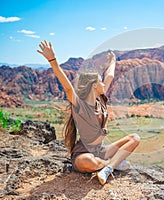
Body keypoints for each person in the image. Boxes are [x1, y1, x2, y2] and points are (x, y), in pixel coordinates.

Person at [37, 40, 140, 185]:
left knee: (135, 138)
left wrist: (113, 61)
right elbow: (67, 87)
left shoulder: (101, 99)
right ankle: (112, 163)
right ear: (93, 86)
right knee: (89, 161)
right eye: (100, 82)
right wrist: (53, 60)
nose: (104, 83)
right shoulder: (80, 105)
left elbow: (109, 76)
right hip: (84, 152)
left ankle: (108, 167)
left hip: (101, 150)